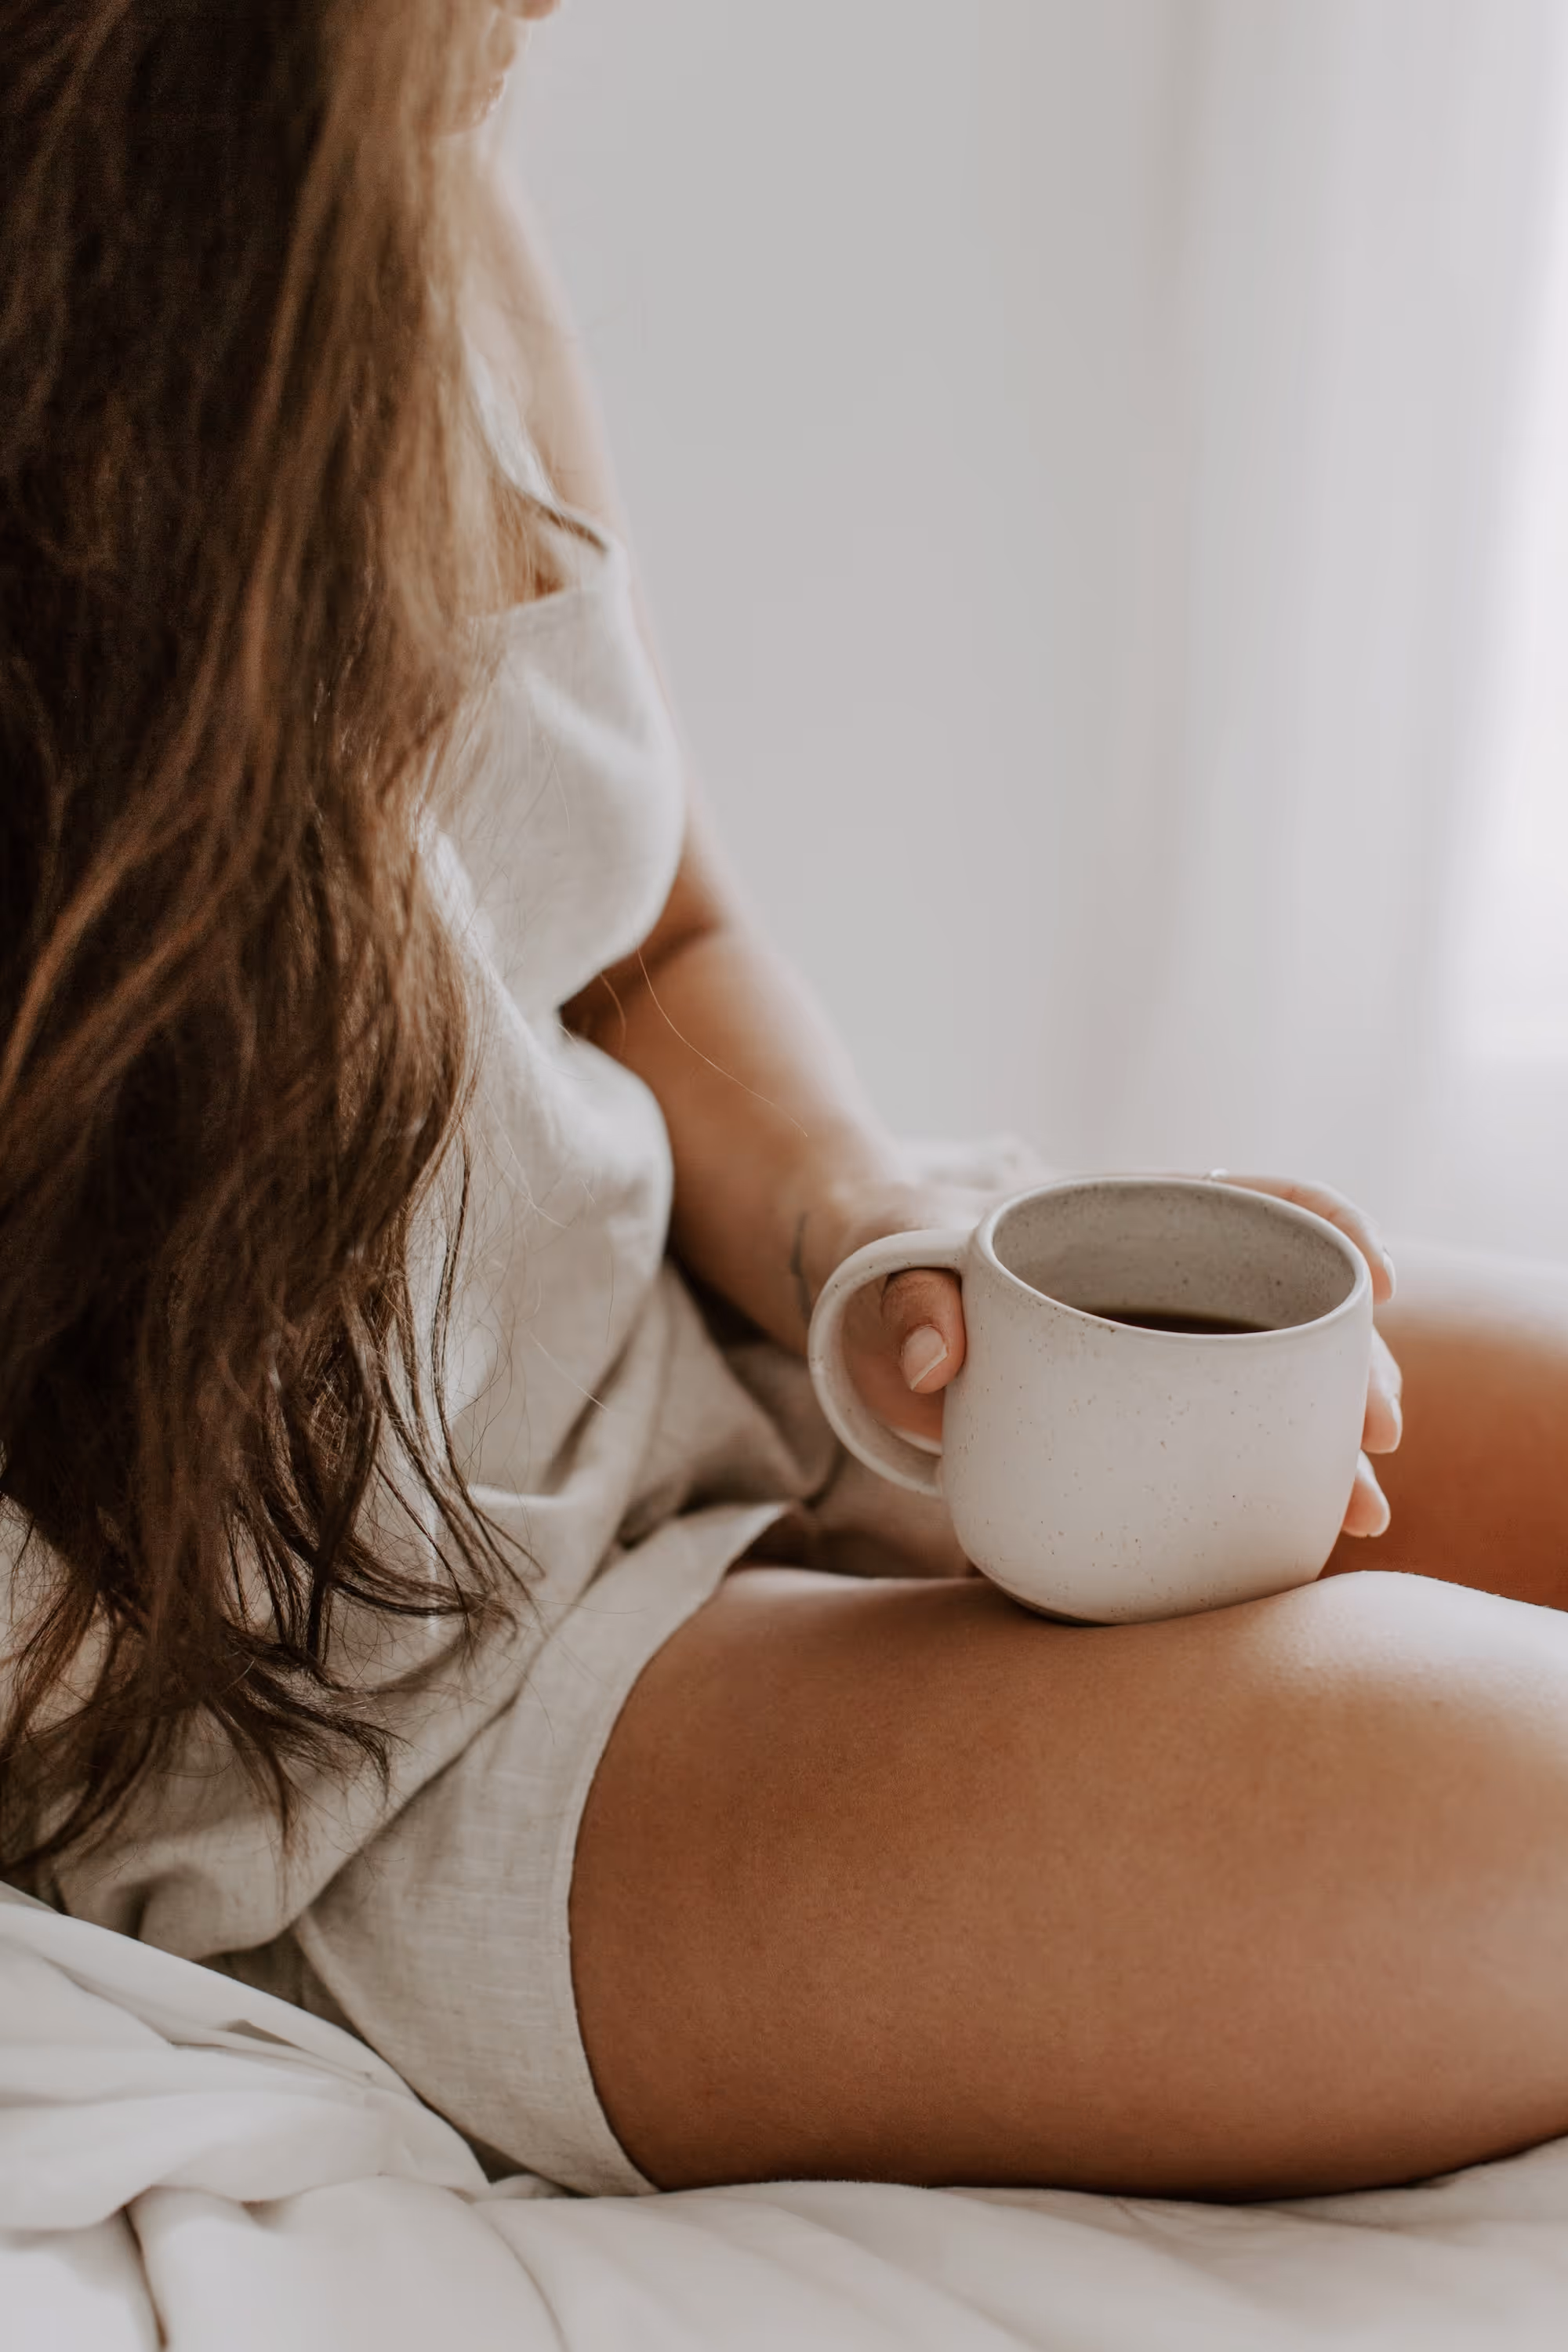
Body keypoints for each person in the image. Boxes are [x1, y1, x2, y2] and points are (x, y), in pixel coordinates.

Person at [3, 0, 1568, 2205]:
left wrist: (873, 1246)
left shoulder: (411, 201)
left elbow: (645, 942)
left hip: (707, 1358)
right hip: (400, 1726)